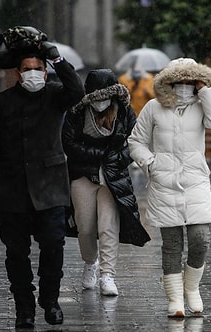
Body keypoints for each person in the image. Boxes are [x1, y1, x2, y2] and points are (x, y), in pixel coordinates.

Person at [0, 41, 85, 328]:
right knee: (16, 253)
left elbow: (78, 92)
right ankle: (24, 307)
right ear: (19, 73)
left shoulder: (56, 95)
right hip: (13, 188)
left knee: (53, 246)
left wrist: (57, 59)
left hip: (51, 186)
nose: (33, 74)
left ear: (45, 73)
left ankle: (50, 299)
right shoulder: (0, 102)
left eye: (38, 69)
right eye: (27, 69)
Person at [127, 58, 211, 317]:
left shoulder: (202, 106)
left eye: (189, 82)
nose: (184, 87)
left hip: (195, 182)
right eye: (179, 81)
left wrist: (206, 90)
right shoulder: (153, 107)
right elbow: (136, 140)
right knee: (172, 245)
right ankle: (175, 299)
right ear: (169, 83)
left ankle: (192, 288)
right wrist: (151, 164)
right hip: (164, 183)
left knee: (200, 240)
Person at [62, 68, 150, 295]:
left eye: (105, 97)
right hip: (83, 175)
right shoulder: (77, 113)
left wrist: (113, 159)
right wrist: (97, 154)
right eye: (96, 97)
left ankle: (107, 274)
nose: (101, 102)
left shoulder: (123, 112)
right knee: (85, 226)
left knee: (109, 224)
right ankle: (90, 262)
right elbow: (68, 144)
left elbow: (134, 141)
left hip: (113, 177)